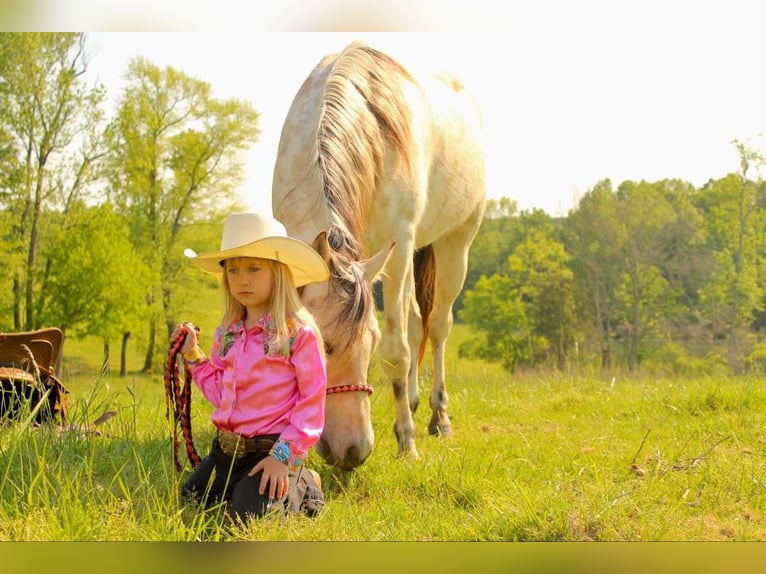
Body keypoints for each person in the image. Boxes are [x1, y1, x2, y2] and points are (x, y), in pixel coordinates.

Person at [172, 211, 329, 524]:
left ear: (278, 273)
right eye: (233, 270)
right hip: (226, 451)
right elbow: (222, 394)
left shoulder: (297, 334)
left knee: (248, 514)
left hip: (271, 449)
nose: (242, 279)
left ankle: (303, 482)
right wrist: (193, 356)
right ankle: (253, 485)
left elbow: (311, 403)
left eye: (254, 269)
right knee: (191, 498)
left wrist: (281, 457)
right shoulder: (227, 334)